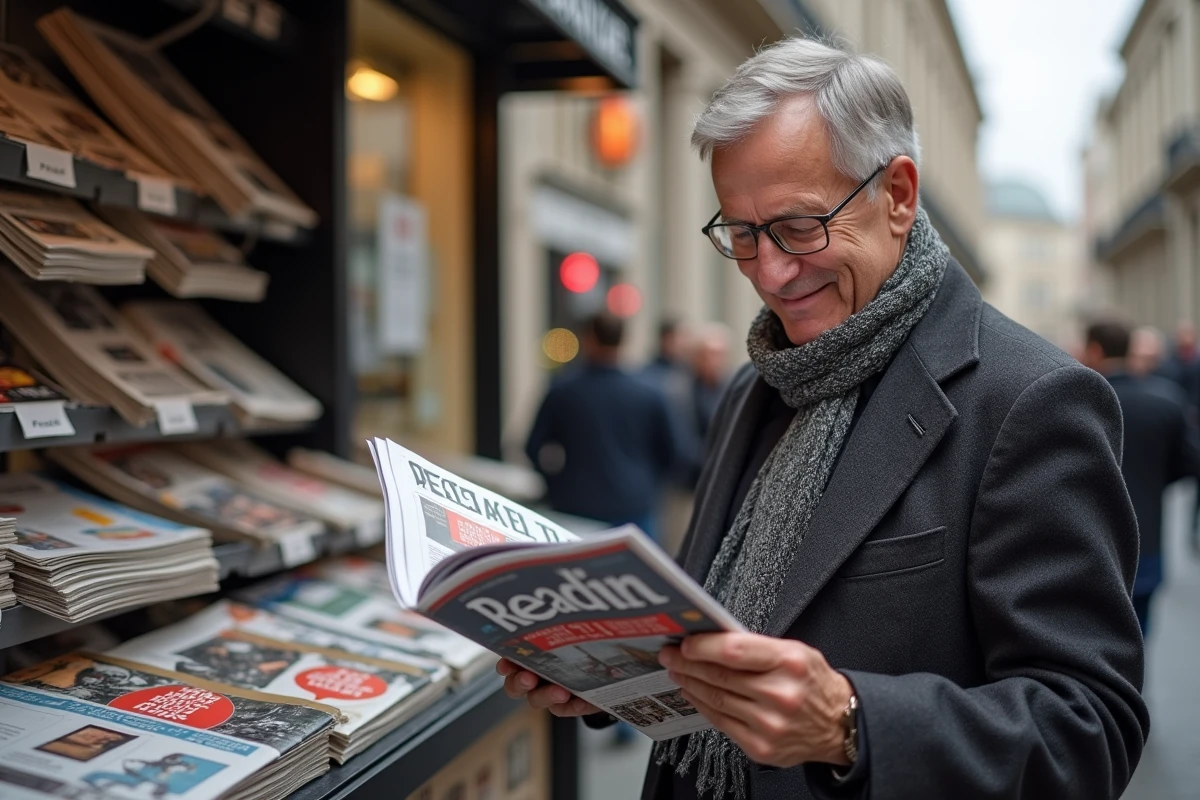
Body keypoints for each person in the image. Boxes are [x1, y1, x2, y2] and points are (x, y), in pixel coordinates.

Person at [501, 37, 1147, 800]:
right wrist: (604, 669)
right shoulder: (758, 384)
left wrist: (851, 724)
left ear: (899, 195)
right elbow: (711, 641)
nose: (770, 274)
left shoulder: (1030, 399)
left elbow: (1091, 728)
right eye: (741, 236)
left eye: (799, 227)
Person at [1082, 319, 1200, 635]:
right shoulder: (1164, 401)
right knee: (1138, 637)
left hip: (1087, 546)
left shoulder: (1076, 401)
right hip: (1146, 543)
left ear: (1095, 350)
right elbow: (1190, 463)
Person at [525, 312, 682, 543]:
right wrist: (647, 484)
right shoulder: (649, 393)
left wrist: (557, 484)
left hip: (576, 506)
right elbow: (675, 453)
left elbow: (533, 447)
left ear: (588, 339)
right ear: (623, 340)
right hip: (635, 509)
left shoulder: (563, 391)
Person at [690, 323, 732, 447]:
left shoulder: (733, 388)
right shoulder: (682, 390)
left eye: (721, 355)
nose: (716, 361)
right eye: (711, 355)